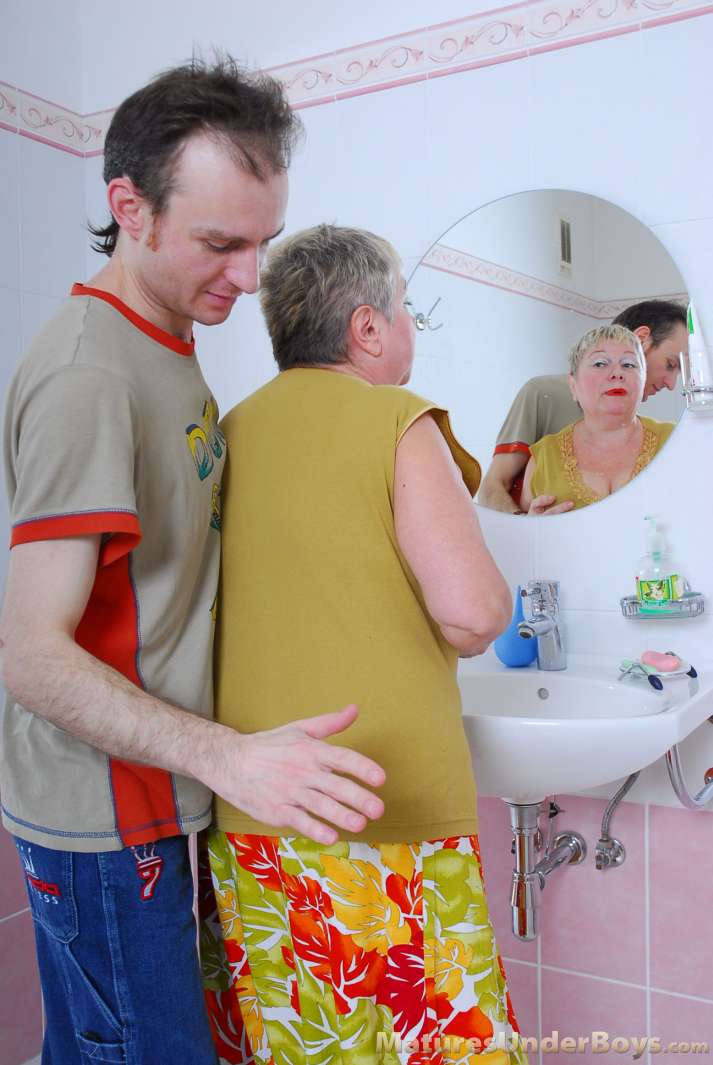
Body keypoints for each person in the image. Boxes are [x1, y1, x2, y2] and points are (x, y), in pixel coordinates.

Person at [0, 59, 386, 1065]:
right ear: (130, 207)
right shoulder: (90, 374)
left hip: (158, 790)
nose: (249, 278)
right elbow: (29, 654)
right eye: (221, 244)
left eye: (262, 242)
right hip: (107, 816)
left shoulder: (165, 343)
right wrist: (227, 756)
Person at [201, 225, 527, 1064]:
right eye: (406, 308)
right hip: (384, 816)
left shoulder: (229, 431)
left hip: (255, 810)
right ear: (367, 328)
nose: (409, 324)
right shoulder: (396, 420)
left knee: (306, 1045)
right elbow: (471, 613)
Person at [478, 300, 687, 513]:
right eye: (671, 364)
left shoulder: (670, 436)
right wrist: (529, 524)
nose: (672, 384)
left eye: (628, 365)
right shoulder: (543, 395)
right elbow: (493, 486)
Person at [519, 324, 674, 514]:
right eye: (600, 364)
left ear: (643, 381)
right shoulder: (543, 459)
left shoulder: (677, 440)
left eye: (628, 364)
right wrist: (534, 527)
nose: (617, 373)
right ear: (573, 385)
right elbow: (523, 527)